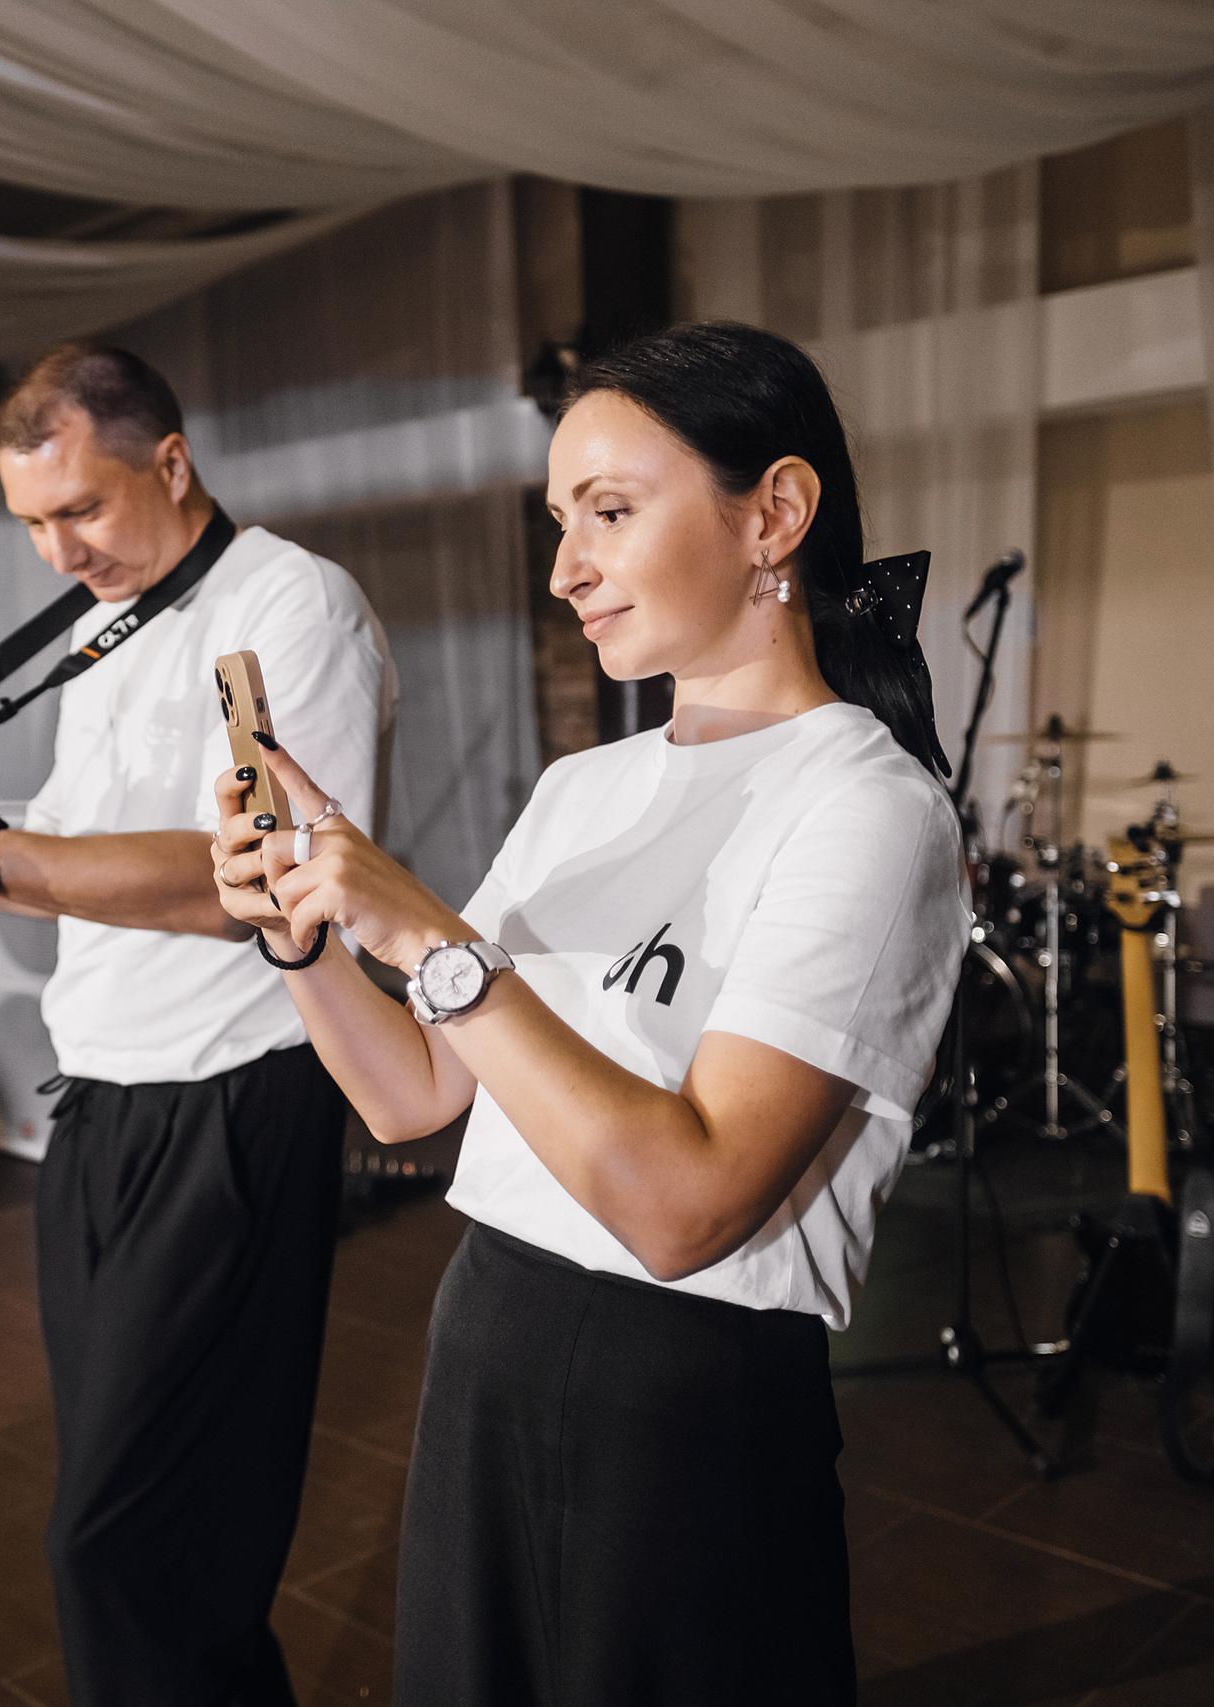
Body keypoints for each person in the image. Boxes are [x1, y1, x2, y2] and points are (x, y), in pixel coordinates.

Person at [208, 322, 968, 1702]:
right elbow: (411, 1095)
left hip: (686, 1396)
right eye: (561, 522)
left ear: (775, 512)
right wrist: (302, 932)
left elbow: (687, 1206)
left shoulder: (868, 805)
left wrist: (431, 934)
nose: (564, 569)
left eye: (610, 512)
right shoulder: (582, 787)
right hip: (487, 1326)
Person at [0, 344, 395, 1705]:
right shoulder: (113, 624)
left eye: (83, 509)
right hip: (99, 1105)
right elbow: (64, 834)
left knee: (121, 1545)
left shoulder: (292, 605)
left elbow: (266, 885)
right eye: (33, 522)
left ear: (170, 462)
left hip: (233, 1096)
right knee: (167, 1543)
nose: (58, 550)